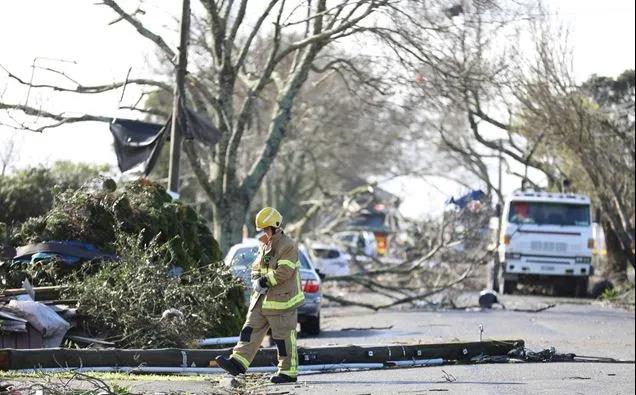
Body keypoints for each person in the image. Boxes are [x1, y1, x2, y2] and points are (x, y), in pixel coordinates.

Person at [215, 207, 305, 384]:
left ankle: (288, 372)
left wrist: (263, 282)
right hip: (262, 300)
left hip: (282, 301)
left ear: (275, 226)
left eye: (266, 229)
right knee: (249, 330)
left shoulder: (288, 245)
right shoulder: (265, 243)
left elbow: (285, 272)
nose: (264, 232)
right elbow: (257, 267)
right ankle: (238, 362)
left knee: (282, 339)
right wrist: (256, 278)